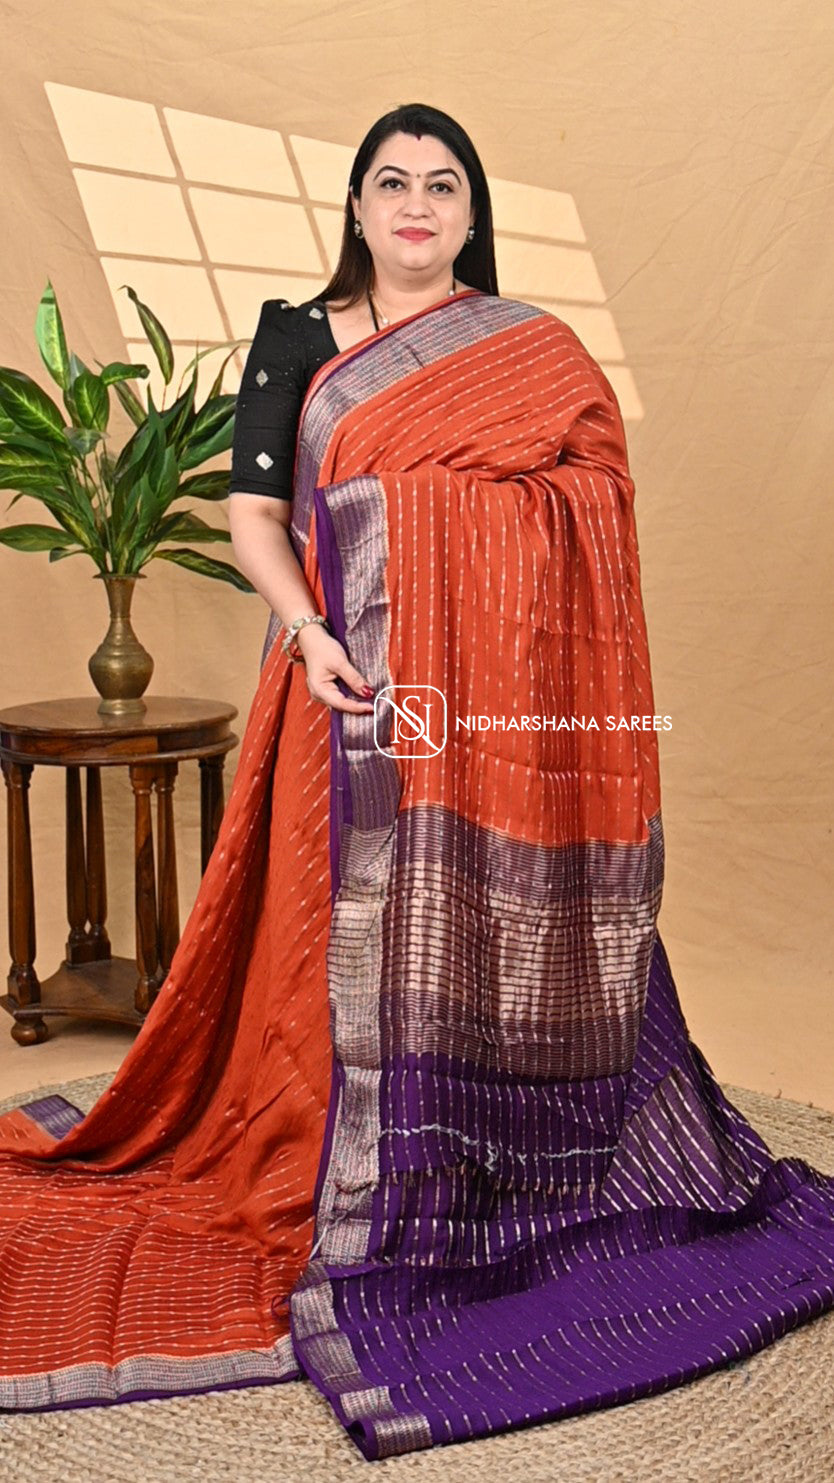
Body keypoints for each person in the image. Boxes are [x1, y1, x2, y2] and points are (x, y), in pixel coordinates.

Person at [1, 102, 834, 1464]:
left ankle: (485, 1147)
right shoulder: (296, 337)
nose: (415, 206)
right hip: (340, 697)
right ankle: (351, 1154)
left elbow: (596, 496)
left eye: (442, 186)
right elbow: (254, 514)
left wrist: (465, 543)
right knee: (321, 953)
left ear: (468, 213)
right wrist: (313, 632)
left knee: (481, 931)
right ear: (356, 205)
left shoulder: (525, 349)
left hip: (498, 701)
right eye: (391, 183)